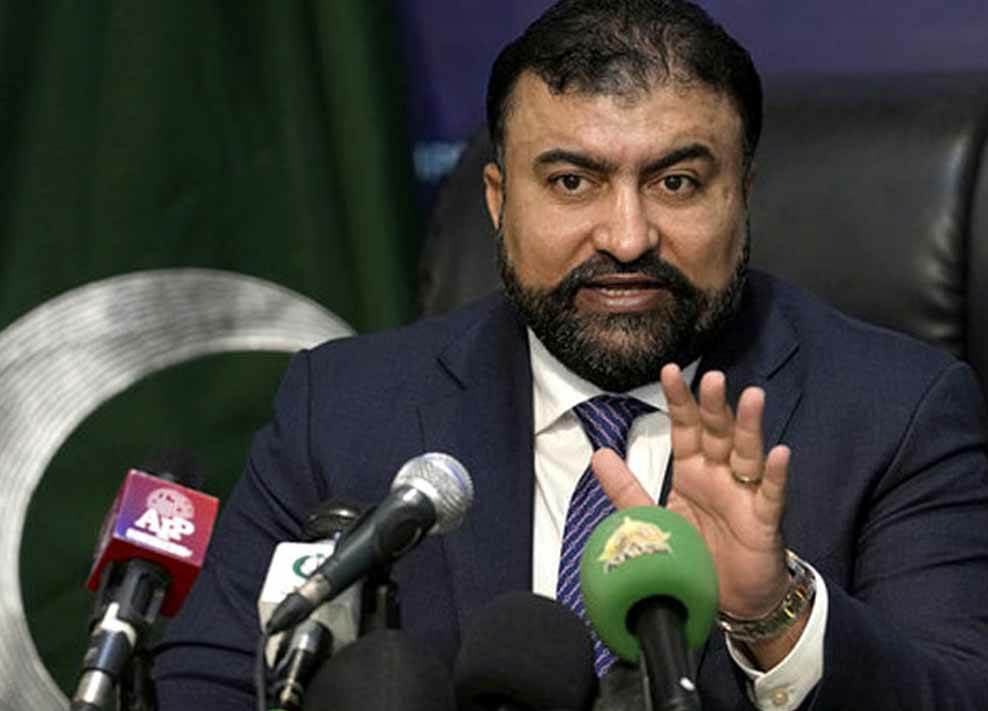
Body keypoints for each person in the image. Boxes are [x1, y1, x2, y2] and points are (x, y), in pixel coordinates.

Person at [153, 1, 988, 709]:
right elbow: (207, 686)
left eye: (676, 183)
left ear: (743, 197)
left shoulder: (897, 415)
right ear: (497, 202)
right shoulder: (340, 408)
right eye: (571, 182)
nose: (626, 238)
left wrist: (776, 611)